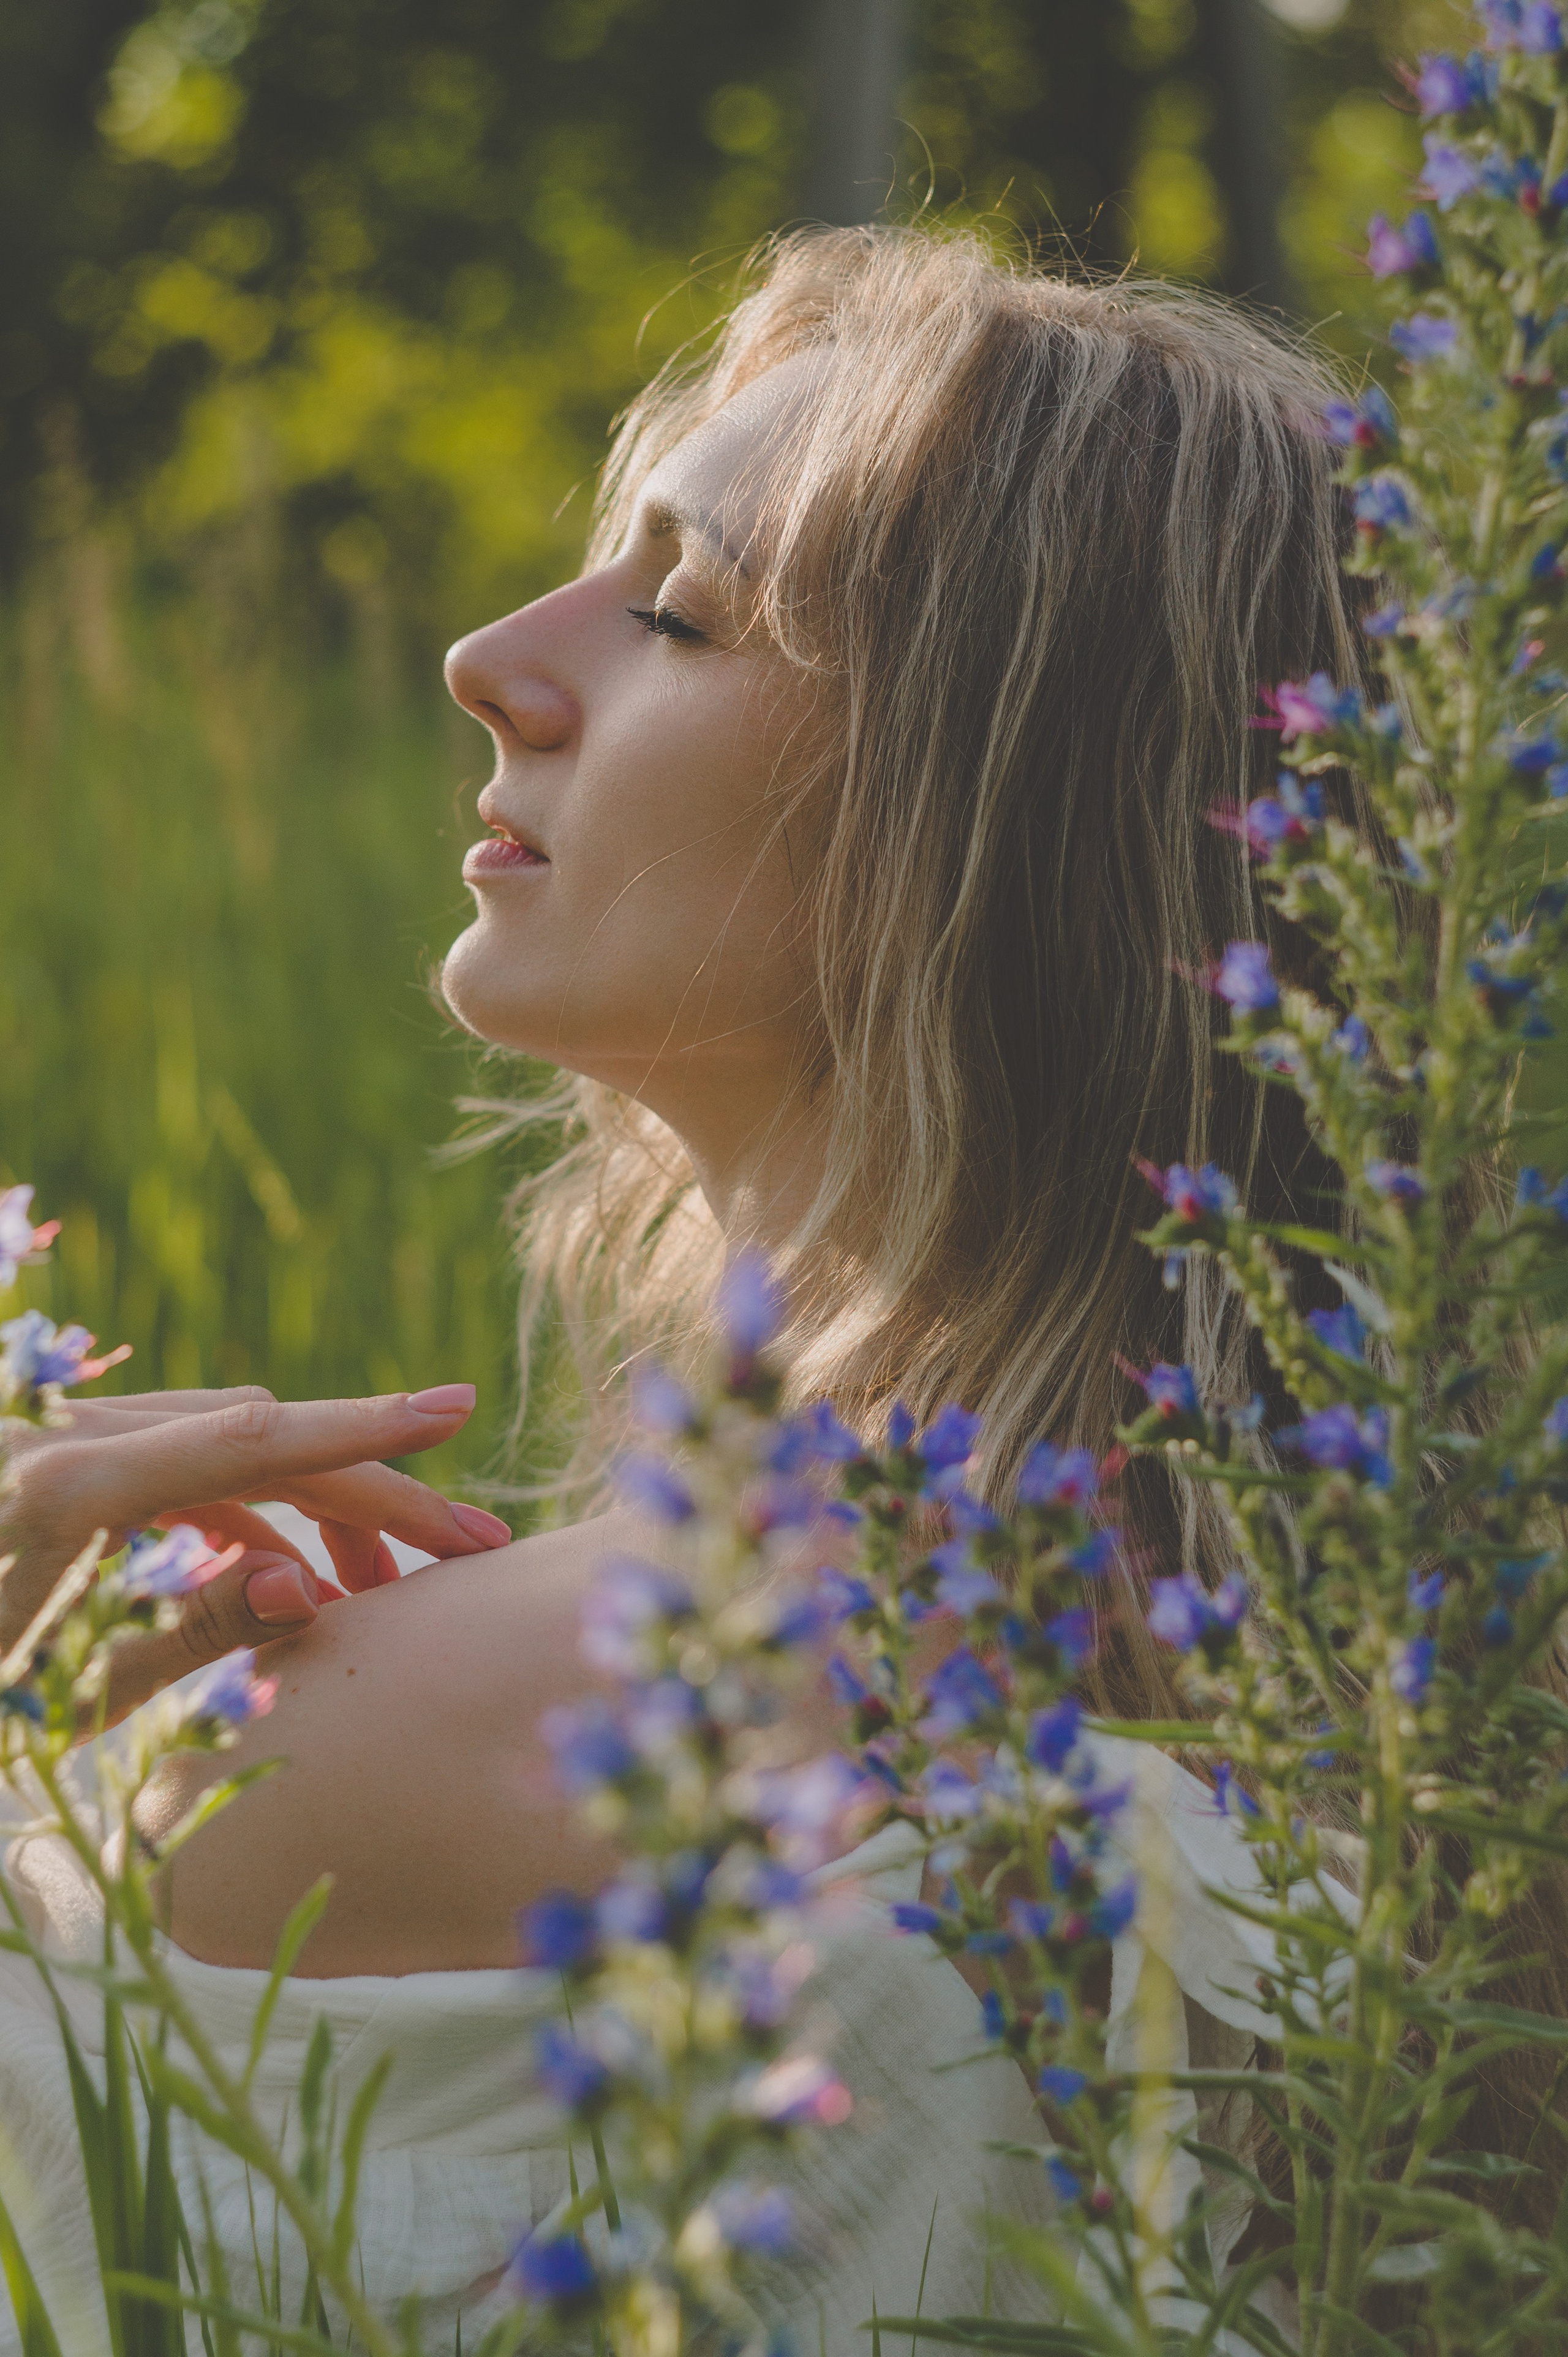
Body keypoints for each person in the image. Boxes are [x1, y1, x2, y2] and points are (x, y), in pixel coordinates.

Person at [0, 225, 1452, 2348]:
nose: (490, 655)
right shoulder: (1424, 1685)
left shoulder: (402, 1726)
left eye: (679, 610)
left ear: (988, 821)